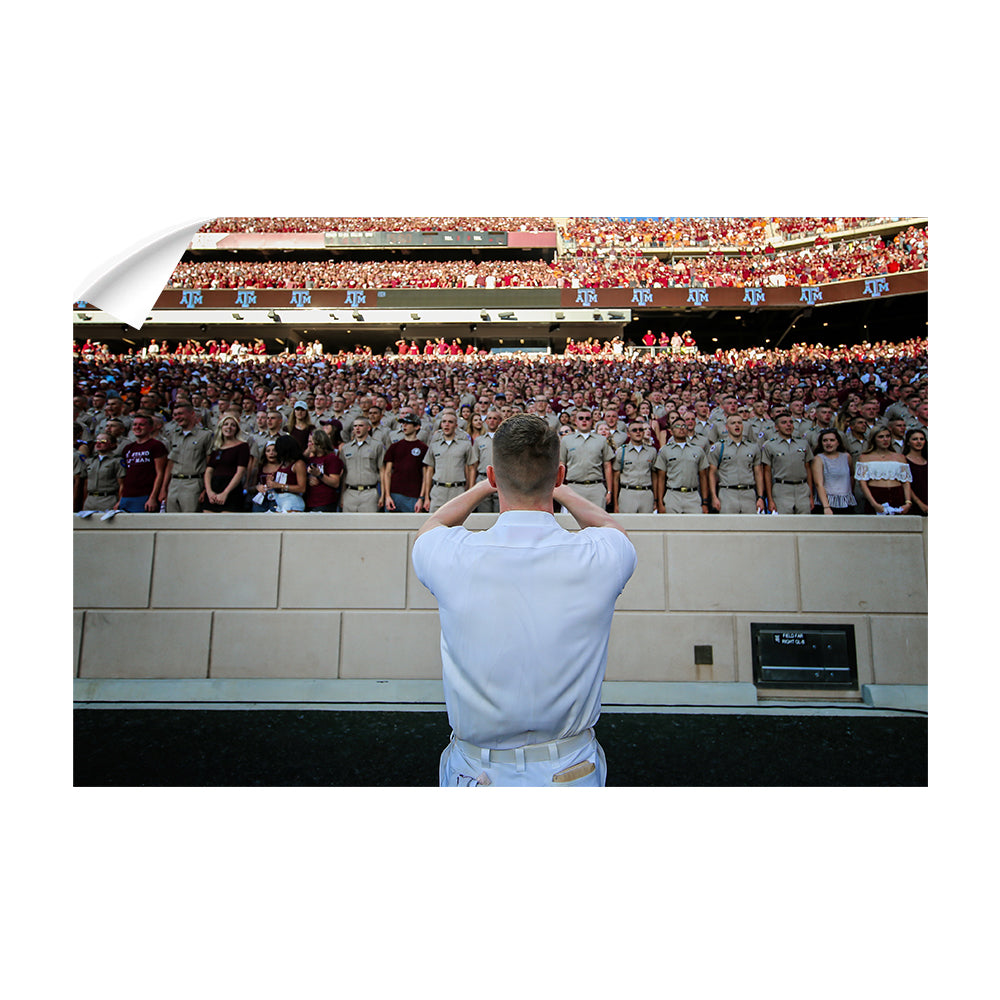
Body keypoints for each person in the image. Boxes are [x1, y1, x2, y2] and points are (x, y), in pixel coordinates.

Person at [411, 414, 637, 787]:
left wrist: (486, 487)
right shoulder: (600, 554)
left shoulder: (451, 553)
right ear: (559, 474)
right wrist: (556, 488)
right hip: (569, 769)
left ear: (494, 476)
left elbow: (431, 525)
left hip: (476, 771)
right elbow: (612, 529)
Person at [707, 413, 764, 513]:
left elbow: (758, 473)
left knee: (750, 526)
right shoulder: (719, 447)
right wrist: (714, 497)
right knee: (728, 526)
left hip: (748, 492)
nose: (737, 425)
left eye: (739, 423)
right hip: (727, 492)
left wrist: (760, 497)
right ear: (727, 427)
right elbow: (712, 473)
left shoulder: (753, 447)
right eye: (733, 423)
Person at [161, 401, 213, 511]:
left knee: (190, 522)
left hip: (193, 483)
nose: (177, 417)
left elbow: (210, 463)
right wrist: (164, 488)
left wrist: (206, 489)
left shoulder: (205, 435)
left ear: (192, 414)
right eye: (175, 415)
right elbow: (170, 463)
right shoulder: (174, 435)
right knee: (172, 522)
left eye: (180, 414)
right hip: (174, 483)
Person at [760, 412, 814, 514]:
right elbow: (767, 473)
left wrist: (811, 495)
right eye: (784, 423)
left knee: (805, 524)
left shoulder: (803, 443)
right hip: (782, 488)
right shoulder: (770, 445)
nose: (788, 425)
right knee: (784, 524)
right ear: (776, 427)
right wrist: (770, 499)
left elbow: (808, 469)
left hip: (802, 488)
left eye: (790, 422)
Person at [652, 416, 708, 513]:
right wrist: (660, 502)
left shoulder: (698, 450)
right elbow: (661, 478)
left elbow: (703, 477)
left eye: (684, 426)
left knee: (695, 526)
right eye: (677, 426)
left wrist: (705, 502)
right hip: (672, 495)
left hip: (693, 495)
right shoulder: (665, 450)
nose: (681, 428)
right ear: (672, 431)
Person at [855, 425, 913, 515]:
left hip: (897, 493)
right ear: (874, 439)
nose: (885, 439)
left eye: (887, 436)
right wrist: (874, 504)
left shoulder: (900, 458)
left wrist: (908, 503)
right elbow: (862, 483)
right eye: (881, 437)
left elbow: (906, 482)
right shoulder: (864, 458)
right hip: (876, 494)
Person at [117, 413, 168, 512]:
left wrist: (153, 497)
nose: (137, 427)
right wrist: (120, 499)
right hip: (127, 496)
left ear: (150, 428)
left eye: (141, 425)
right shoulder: (128, 448)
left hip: (145, 496)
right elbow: (125, 476)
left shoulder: (157, 446)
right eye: (135, 424)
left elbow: (160, 473)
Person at [203, 415, 251, 512]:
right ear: (221, 427)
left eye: (232, 425)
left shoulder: (243, 446)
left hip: (231, 489)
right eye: (226, 424)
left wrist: (225, 493)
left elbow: (240, 472)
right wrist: (209, 491)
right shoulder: (217, 447)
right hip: (214, 487)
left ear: (236, 429)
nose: (229, 427)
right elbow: (208, 471)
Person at [382, 414, 428, 512]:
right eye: (403, 423)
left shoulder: (423, 448)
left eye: (408, 423)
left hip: (414, 496)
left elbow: (425, 475)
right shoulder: (394, 447)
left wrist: (421, 498)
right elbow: (387, 472)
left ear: (417, 427)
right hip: (394, 495)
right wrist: (387, 496)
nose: (404, 426)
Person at [612, 419, 657, 513]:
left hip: (646, 492)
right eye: (634, 430)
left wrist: (656, 500)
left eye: (641, 430)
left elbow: (654, 476)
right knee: (627, 525)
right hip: (628, 492)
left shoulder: (651, 451)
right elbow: (616, 478)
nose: (638, 432)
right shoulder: (621, 451)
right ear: (628, 433)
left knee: (647, 524)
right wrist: (616, 503)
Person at [810, 429, 857, 515]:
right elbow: (818, 484)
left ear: (838, 442)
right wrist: (826, 507)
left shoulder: (846, 457)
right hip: (827, 503)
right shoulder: (818, 459)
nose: (828, 443)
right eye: (825, 440)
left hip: (846, 502)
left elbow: (851, 476)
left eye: (832, 440)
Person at [303, 428, 344, 512]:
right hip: (310, 501)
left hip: (325, 502)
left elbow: (335, 483)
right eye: (308, 442)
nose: (309, 445)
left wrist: (319, 475)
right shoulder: (311, 459)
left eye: (311, 442)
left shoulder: (331, 458)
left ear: (319, 442)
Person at [81, 433, 123, 511]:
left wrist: (120, 501)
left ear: (112, 444)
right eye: (96, 441)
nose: (98, 443)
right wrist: (84, 501)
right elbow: (85, 484)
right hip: (90, 500)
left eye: (103, 441)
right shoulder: (90, 461)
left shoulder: (116, 461)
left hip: (108, 499)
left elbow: (122, 484)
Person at [269, 434, 307, 512]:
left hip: (292, 502)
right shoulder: (283, 462)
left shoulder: (298, 464)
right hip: (279, 501)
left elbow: (302, 488)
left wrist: (280, 486)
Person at [903, 427, 928, 515]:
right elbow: (905, 484)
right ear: (908, 442)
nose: (919, 442)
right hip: (913, 503)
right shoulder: (904, 460)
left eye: (921, 439)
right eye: (915, 439)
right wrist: (920, 503)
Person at [251, 441, 281, 512]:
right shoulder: (259, 468)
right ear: (265, 453)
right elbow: (249, 488)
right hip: (260, 502)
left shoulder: (282, 467)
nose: (271, 453)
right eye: (268, 451)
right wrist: (257, 487)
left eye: (274, 450)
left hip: (278, 501)